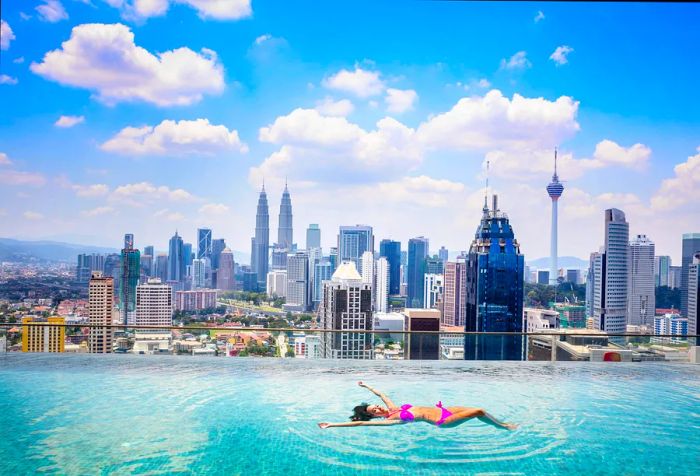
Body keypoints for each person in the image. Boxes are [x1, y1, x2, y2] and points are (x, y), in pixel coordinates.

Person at [318, 381, 517, 430]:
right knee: (479, 411)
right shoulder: (391, 420)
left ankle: (501, 424)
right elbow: (360, 425)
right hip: (442, 419)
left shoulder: (392, 407)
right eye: (374, 411)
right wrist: (333, 425)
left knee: (476, 407)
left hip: (443, 409)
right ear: (375, 416)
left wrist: (365, 385)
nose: (378, 407)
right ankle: (504, 427)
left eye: (375, 406)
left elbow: (382, 394)